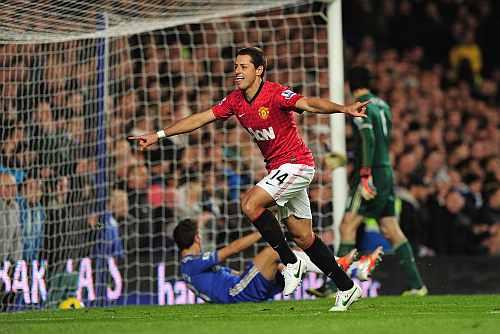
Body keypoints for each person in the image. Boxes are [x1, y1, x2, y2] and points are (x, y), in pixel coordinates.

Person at [129, 47, 369, 311]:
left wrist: (344, 108)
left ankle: (290, 262)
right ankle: (347, 287)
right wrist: (158, 135)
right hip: (279, 170)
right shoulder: (235, 100)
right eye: (235, 66)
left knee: (250, 204)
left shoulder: (275, 93)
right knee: (303, 236)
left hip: (297, 164)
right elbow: (201, 118)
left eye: (243, 67)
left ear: (259, 71)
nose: (237, 71)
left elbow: (309, 103)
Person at [311, 66, 427, 297]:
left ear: (348, 85)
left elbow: (369, 138)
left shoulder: (360, 105)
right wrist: (350, 159)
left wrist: (364, 174)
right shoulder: (383, 105)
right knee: (391, 227)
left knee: (347, 226)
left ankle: (334, 286)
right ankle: (416, 285)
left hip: (371, 173)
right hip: (385, 171)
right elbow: (381, 142)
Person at [173, 219, 382, 306]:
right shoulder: (191, 263)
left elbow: (224, 279)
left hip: (239, 289)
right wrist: (262, 232)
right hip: (237, 293)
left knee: (290, 259)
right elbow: (233, 249)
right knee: (272, 251)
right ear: (197, 238)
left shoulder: (189, 267)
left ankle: (354, 268)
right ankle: (346, 267)